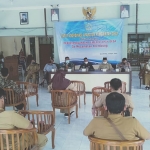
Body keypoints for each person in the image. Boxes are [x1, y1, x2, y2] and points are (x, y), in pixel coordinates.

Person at [84, 92, 150, 140]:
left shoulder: (96, 122)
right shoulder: (133, 123)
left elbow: (85, 133)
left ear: (105, 107)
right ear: (124, 107)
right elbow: (147, 136)